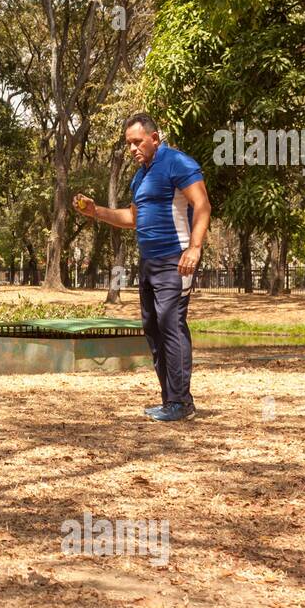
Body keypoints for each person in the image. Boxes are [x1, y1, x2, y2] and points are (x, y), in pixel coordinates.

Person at [75, 112, 211, 422]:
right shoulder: (140, 176)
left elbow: (202, 205)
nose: (133, 148)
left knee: (170, 323)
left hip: (176, 259)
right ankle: (171, 401)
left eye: (138, 142)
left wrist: (195, 247)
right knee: (153, 327)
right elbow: (132, 219)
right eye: (129, 144)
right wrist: (95, 211)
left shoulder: (177, 163)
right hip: (149, 263)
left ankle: (181, 403)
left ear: (154, 137)